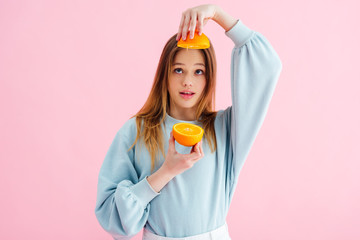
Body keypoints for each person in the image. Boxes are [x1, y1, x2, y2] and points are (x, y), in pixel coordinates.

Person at [95, 4, 282, 240]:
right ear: (165, 73)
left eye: (198, 71)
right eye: (178, 70)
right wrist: (166, 172)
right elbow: (114, 219)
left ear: (209, 77)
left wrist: (217, 14)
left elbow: (267, 66)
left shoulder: (225, 128)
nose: (187, 82)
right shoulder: (136, 131)